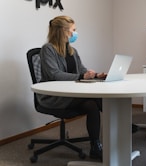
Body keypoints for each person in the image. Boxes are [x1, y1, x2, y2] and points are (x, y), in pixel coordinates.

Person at [36, 15, 106, 161]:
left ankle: (95, 146)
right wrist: (82, 76)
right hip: (54, 97)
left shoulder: (72, 50)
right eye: (73, 30)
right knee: (95, 100)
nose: (75, 33)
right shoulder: (47, 49)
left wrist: (96, 75)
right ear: (63, 31)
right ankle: (122, 125)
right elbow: (55, 74)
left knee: (92, 104)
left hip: (71, 94)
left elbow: (82, 70)